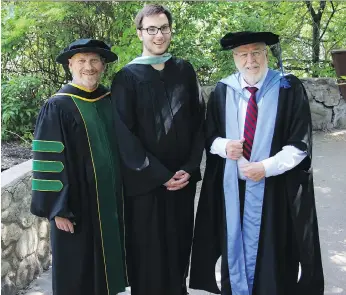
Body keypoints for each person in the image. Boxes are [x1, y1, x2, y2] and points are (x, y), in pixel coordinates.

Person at [189, 31, 324, 295]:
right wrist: (224, 146)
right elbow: (209, 136)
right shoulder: (223, 90)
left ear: (265, 54)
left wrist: (266, 167)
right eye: (243, 54)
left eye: (256, 52)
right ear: (234, 58)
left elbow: (301, 143)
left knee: (275, 257)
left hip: (276, 191)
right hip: (234, 192)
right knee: (234, 253)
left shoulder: (288, 87)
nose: (250, 60)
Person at [111, 4, 205, 295]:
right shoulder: (127, 77)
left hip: (182, 180)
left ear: (170, 30)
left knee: (179, 244)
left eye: (163, 28)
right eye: (151, 29)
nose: (159, 35)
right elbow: (124, 134)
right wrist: (159, 175)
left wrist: (189, 168)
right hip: (147, 184)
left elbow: (199, 122)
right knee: (148, 249)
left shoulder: (184, 70)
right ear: (140, 33)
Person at [31, 38, 128, 295]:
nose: (89, 66)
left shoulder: (110, 100)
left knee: (107, 271)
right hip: (75, 205)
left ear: (103, 66)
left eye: (95, 60)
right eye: (82, 61)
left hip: (109, 202)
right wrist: (57, 208)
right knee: (77, 271)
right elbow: (47, 161)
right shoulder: (58, 106)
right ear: (70, 65)